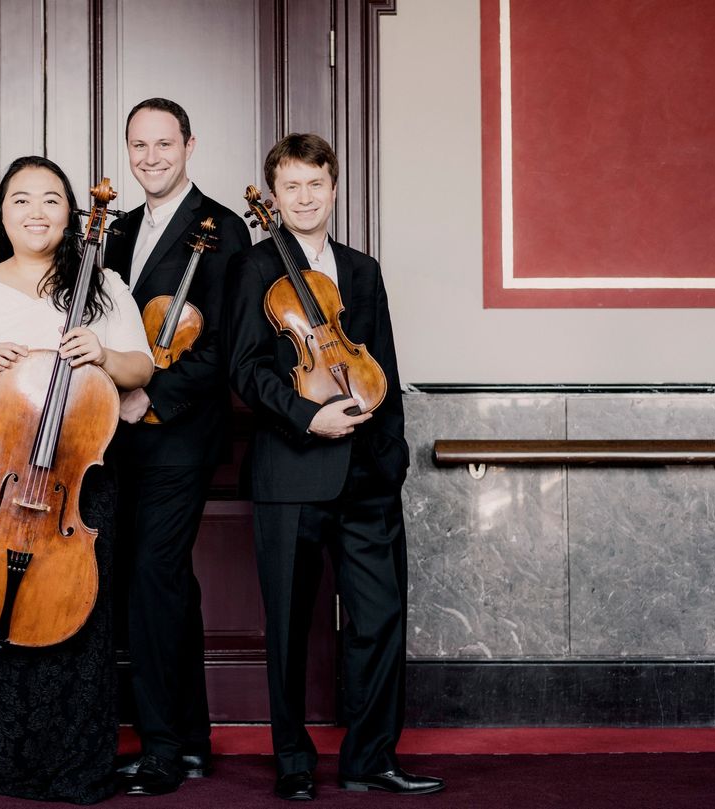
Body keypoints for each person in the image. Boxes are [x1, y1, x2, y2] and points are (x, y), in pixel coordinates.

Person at [0, 155, 153, 804]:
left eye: (50, 199)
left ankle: (71, 763)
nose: (36, 211)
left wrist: (101, 350)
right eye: (21, 199)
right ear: (2, 212)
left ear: (72, 213)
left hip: (80, 468)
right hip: (2, 465)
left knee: (77, 606)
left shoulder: (100, 285)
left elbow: (141, 366)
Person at [223, 133, 443, 800]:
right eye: (290, 186)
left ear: (334, 188)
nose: (303, 197)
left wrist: (394, 456)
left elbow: (385, 367)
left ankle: (370, 757)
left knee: (379, 619)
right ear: (276, 194)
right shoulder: (254, 268)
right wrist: (304, 414)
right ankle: (293, 760)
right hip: (290, 470)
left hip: (368, 477)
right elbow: (245, 370)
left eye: (315, 184)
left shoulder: (362, 269)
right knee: (289, 627)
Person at [104, 97, 250, 796]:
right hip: (113, 436)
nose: (151, 156)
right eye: (139, 144)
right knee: (161, 584)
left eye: (164, 143)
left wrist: (152, 397)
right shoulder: (118, 228)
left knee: (152, 577)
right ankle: (191, 738)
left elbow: (224, 346)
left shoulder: (225, 230)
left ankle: (161, 746)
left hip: (179, 436)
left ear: (189, 144)